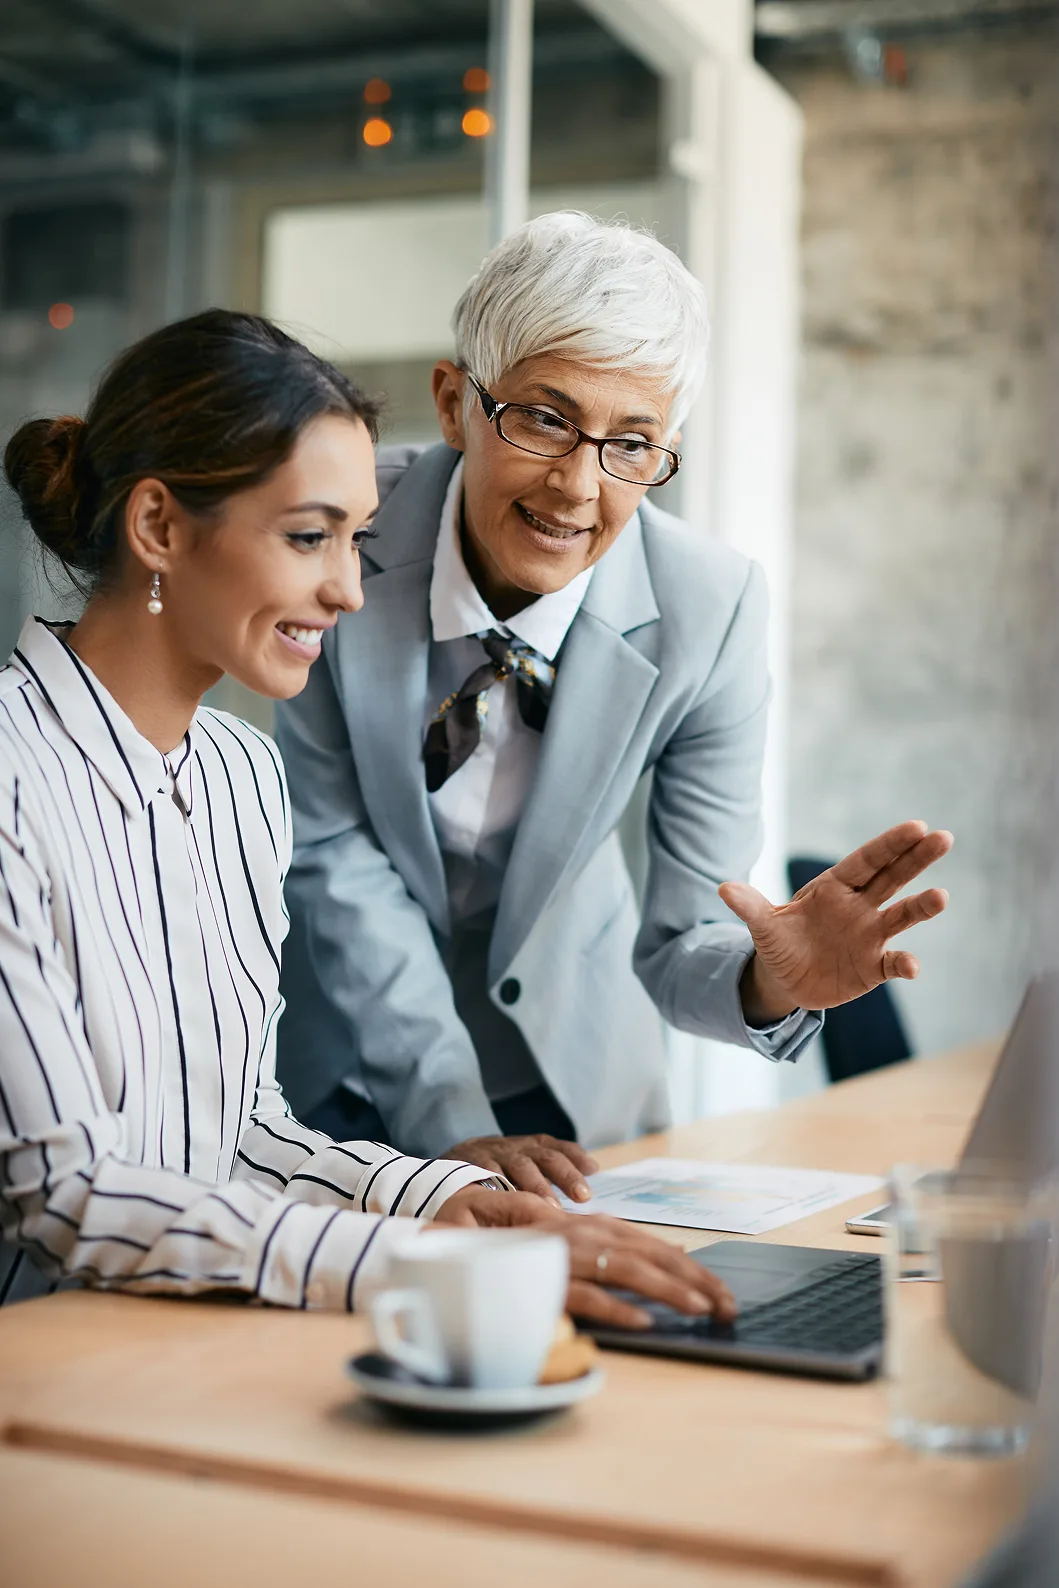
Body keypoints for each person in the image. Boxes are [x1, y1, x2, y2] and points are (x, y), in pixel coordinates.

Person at [0, 308, 736, 1334]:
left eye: (356, 538)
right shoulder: (13, 785)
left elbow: (247, 1133)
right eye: (310, 536)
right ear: (160, 526)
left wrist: (451, 1203)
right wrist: (418, 1254)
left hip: (199, 1335)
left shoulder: (240, 777)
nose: (349, 589)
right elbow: (66, 1198)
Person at [276, 212, 953, 1199]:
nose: (579, 486)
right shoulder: (348, 531)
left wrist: (776, 980)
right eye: (545, 417)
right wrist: (451, 1126)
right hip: (331, 1071)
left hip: (568, 1089)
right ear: (455, 403)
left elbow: (687, 943)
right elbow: (334, 855)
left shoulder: (707, 610)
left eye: (632, 442)